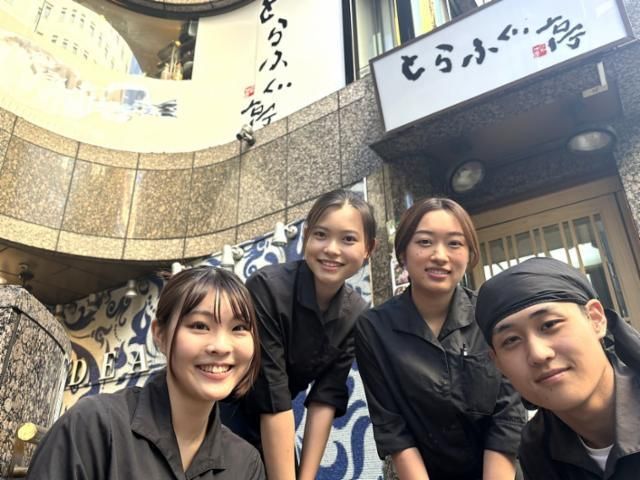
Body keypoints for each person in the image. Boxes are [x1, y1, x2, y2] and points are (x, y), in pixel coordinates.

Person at [27, 266, 265, 479]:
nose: (221, 347)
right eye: (200, 326)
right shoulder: (93, 426)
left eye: (239, 328)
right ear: (160, 334)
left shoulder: (246, 464)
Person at [355, 197, 526, 480]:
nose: (440, 255)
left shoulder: (492, 315)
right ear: (402, 253)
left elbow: (508, 416)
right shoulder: (374, 328)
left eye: (454, 243)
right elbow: (392, 427)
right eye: (424, 242)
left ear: (469, 254)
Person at [223, 189, 377, 480]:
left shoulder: (356, 313)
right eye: (320, 235)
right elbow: (273, 392)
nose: (331, 249)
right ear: (306, 236)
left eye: (348, 239)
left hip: (276, 424)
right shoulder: (267, 287)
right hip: (225, 416)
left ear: (369, 248)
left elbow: (325, 398)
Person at [476, 256, 640, 480]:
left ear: (596, 319)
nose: (538, 354)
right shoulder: (536, 448)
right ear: (498, 362)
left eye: (549, 325)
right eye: (511, 340)